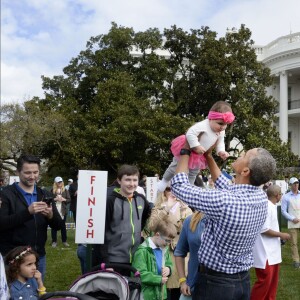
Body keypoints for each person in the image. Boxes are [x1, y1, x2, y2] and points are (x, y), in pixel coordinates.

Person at [171, 144, 276, 300]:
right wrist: (208, 156)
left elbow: (178, 186)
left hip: (216, 285)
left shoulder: (225, 201)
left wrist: (185, 150)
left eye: (244, 155)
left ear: (245, 171)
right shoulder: (260, 197)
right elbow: (225, 185)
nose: (239, 155)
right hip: (242, 281)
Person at [0, 154, 63, 280]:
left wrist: (50, 216)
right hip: (13, 257)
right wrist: (27, 212)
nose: (32, 176)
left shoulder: (44, 194)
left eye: (36, 172)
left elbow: (59, 225)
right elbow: (2, 224)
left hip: (38, 257)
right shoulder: (6, 194)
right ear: (18, 172)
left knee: (36, 292)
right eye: (27, 172)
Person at [158, 101, 235, 192]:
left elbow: (220, 142)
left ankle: (188, 188)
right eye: (220, 123)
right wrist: (196, 146)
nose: (222, 127)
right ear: (210, 119)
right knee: (174, 166)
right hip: (190, 148)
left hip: (199, 155)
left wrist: (221, 151)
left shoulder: (221, 131)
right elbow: (190, 133)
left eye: (225, 124)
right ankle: (164, 181)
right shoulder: (203, 125)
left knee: (193, 173)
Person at [93, 165, 151, 275]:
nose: (132, 184)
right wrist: (106, 262)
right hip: (114, 260)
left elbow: (145, 220)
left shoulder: (141, 199)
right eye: (127, 180)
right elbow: (101, 233)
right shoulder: (110, 201)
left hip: (136, 258)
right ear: (119, 181)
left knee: (134, 291)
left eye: (135, 180)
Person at [149, 187, 192, 300]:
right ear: (164, 192)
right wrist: (166, 208)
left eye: (177, 189)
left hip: (179, 254)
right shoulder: (159, 207)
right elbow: (152, 226)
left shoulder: (186, 209)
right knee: (163, 287)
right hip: (161, 251)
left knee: (179, 287)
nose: (173, 192)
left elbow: (190, 231)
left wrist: (183, 211)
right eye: (169, 189)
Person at [251, 184, 290, 300]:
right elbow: (264, 229)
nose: (281, 196)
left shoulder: (271, 206)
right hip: (265, 252)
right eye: (281, 194)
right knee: (264, 283)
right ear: (277, 195)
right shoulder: (267, 207)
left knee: (272, 283)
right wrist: (281, 234)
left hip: (272, 252)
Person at [132, 210, 177, 300]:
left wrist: (169, 269)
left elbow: (169, 263)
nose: (169, 243)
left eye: (171, 241)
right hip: (146, 296)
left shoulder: (164, 249)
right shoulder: (142, 251)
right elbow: (139, 274)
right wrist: (158, 279)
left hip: (161, 295)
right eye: (167, 240)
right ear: (157, 234)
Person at [174, 211, 205, 299]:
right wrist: (182, 280)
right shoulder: (190, 220)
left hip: (219, 287)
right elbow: (179, 252)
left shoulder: (225, 221)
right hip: (191, 287)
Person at [281, 177, 300, 269]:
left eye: (297, 183)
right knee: (293, 242)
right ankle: (296, 261)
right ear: (291, 185)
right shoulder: (286, 196)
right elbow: (283, 211)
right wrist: (292, 218)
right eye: (294, 184)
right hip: (293, 222)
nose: (296, 185)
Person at [50, 176, 71, 248]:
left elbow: (69, 200)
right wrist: (55, 199)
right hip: (55, 210)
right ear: (55, 183)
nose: (60, 183)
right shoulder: (52, 190)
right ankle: (54, 241)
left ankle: (64, 241)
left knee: (63, 226)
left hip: (63, 210)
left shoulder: (65, 190)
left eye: (61, 181)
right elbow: (49, 200)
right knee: (54, 226)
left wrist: (63, 199)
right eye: (58, 182)